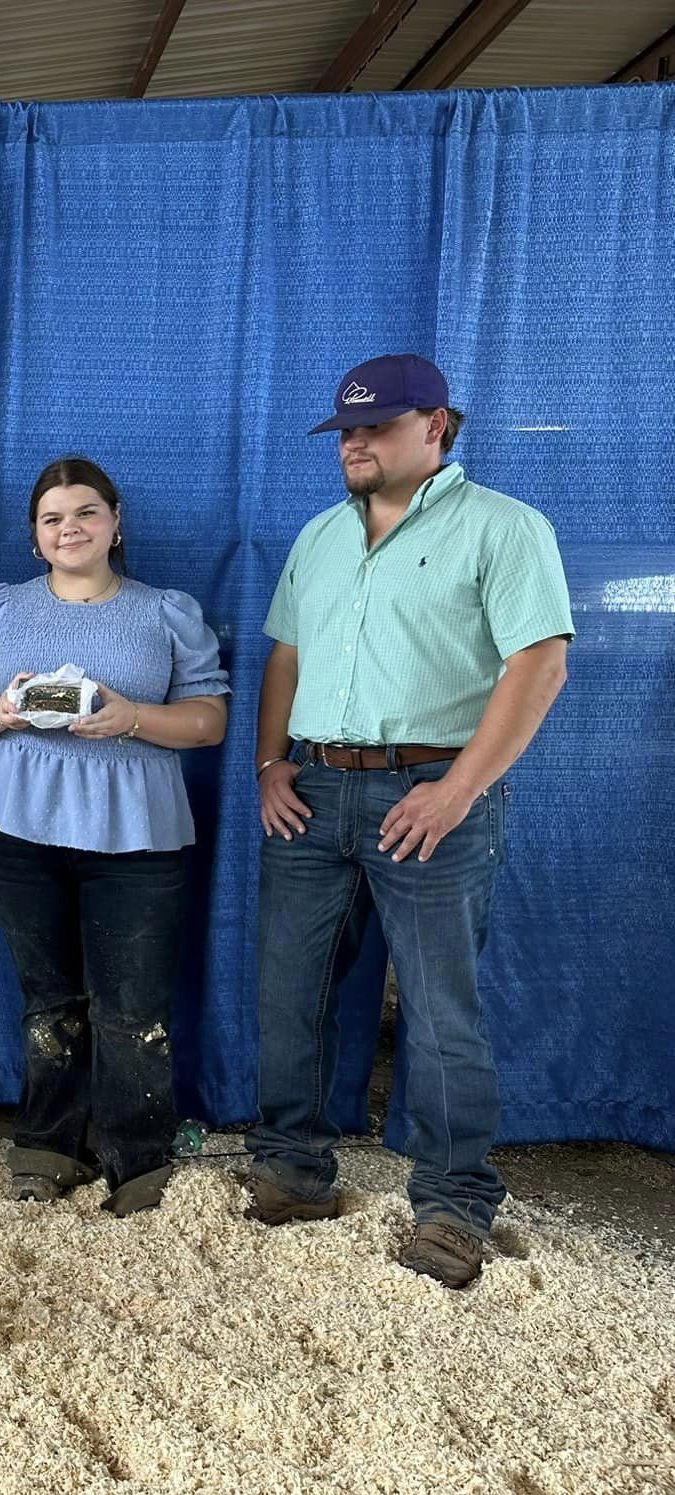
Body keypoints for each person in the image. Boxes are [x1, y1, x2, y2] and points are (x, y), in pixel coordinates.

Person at [246, 354, 571, 1287]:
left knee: (439, 1009)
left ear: (435, 425)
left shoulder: (503, 529)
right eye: (346, 430)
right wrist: (272, 765)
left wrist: (459, 789)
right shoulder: (319, 537)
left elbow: (538, 666)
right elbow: (286, 658)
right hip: (313, 790)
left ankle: (455, 1203)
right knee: (289, 991)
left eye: (375, 426)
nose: (354, 442)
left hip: (432, 794)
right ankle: (292, 1170)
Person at [0, 458, 230, 1217]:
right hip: (16, 823)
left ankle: (137, 1155)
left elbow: (209, 721)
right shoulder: (1, 608)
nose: (70, 529)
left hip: (137, 833)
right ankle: (47, 1144)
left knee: (132, 1006)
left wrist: (133, 716)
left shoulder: (166, 611)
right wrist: (2, 712)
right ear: (35, 536)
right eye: (53, 519)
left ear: (116, 522)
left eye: (86, 513)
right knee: (48, 999)